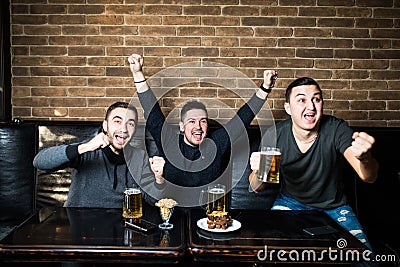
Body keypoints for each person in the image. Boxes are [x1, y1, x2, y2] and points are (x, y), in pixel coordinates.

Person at [248, 77, 379, 251]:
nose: (311, 106)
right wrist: (258, 171)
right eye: (301, 100)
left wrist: (365, 159)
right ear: (288, 108)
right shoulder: (275, 135)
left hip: (334, 207)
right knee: (269, 252)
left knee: (364, 257)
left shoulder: (336, 129)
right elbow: (257, 187)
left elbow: (368, 177)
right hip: (290, 203)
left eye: (316, 99)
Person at [128, 53, 277, 188]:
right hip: (174, 211)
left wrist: (265, 89)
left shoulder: (217, 142)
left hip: (211, 213)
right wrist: (137, 73)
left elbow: (242, 119)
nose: (198, 126)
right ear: (181, 126)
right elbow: (152, 112)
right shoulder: (169, 141)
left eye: (203, 121)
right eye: (191, 121)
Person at [33, 102, 166, 208]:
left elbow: (153, 200)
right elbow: (39, 162)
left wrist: (159, 179)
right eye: (117, 121)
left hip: (120, 226)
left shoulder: (139, 157)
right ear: (105, 126)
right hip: (80, 223)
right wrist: (84, 147)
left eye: (130, 124)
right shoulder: (87, 149)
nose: (124, 129)